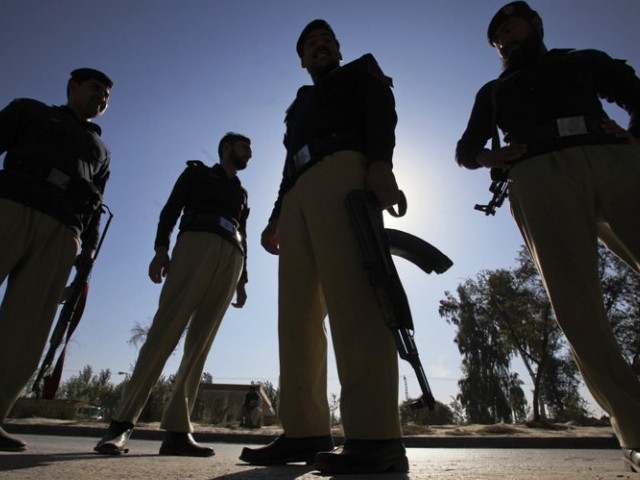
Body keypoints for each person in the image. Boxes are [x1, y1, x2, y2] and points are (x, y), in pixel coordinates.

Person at [456, 1, 640, 472]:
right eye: (497, 36)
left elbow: (634, 92)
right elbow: (466, 148)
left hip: (610, 160)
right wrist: (486, 160)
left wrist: (635, 136)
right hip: (538, 176)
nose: (505, 38)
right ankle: (638, 427)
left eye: (511, 26)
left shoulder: (583, 59)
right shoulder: (493, 91)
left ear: (535, 25)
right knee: (577, 307)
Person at [239, 20, 408, 474]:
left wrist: (380, 166)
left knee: (355, 300)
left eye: (327, 41)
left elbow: (381, 111)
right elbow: (287, 160)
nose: (320, 46)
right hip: (298, 192)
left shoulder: (359, 73)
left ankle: (376, 436)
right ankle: (305, 431)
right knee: (296, 319)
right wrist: (277, 214)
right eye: (311, 43)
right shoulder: (298, 104)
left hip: (343, 171)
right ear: (301, 58)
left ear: (337, 49)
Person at [93, 132, 252, 457]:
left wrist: (242, 280)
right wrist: (161, 249)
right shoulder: (196, 173)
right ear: (226, 148)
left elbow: (244, 233)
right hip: (196, 243)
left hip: (231, 255)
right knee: (165, 332)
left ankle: (178, 432)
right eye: (244, 147)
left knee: (200, 345)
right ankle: (121, 425)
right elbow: (171, 209)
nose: (250, 154)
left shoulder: (242, 192)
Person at [0, 68, 113, 452]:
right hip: (12, 204)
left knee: (28, 329)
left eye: (107, 95)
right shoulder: (30, 111)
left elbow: (98, 204)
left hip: (64, 229)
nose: (101, 97)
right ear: (73, 88)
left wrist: (89, 249)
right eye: (95, 88)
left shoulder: (102, 149)